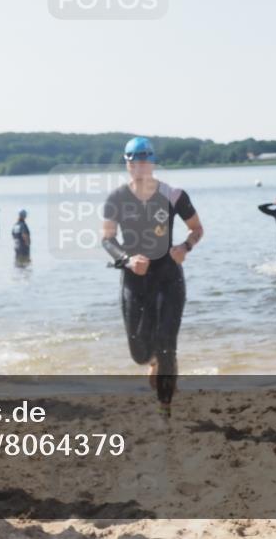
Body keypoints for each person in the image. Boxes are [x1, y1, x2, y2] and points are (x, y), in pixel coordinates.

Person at [102, 136, 203, 418]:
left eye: (145, 160)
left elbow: (197, 229)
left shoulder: (174, 195)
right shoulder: (117, 199)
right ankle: (154, 360)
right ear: (127, 163)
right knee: (139, 352)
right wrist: (127, 260)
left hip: (169, 277)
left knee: (167, 342)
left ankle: (165, 407)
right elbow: (107, 239)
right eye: (134, 160)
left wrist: (186, 247)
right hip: (134, 280)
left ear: (153, 163)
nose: (140, 166)